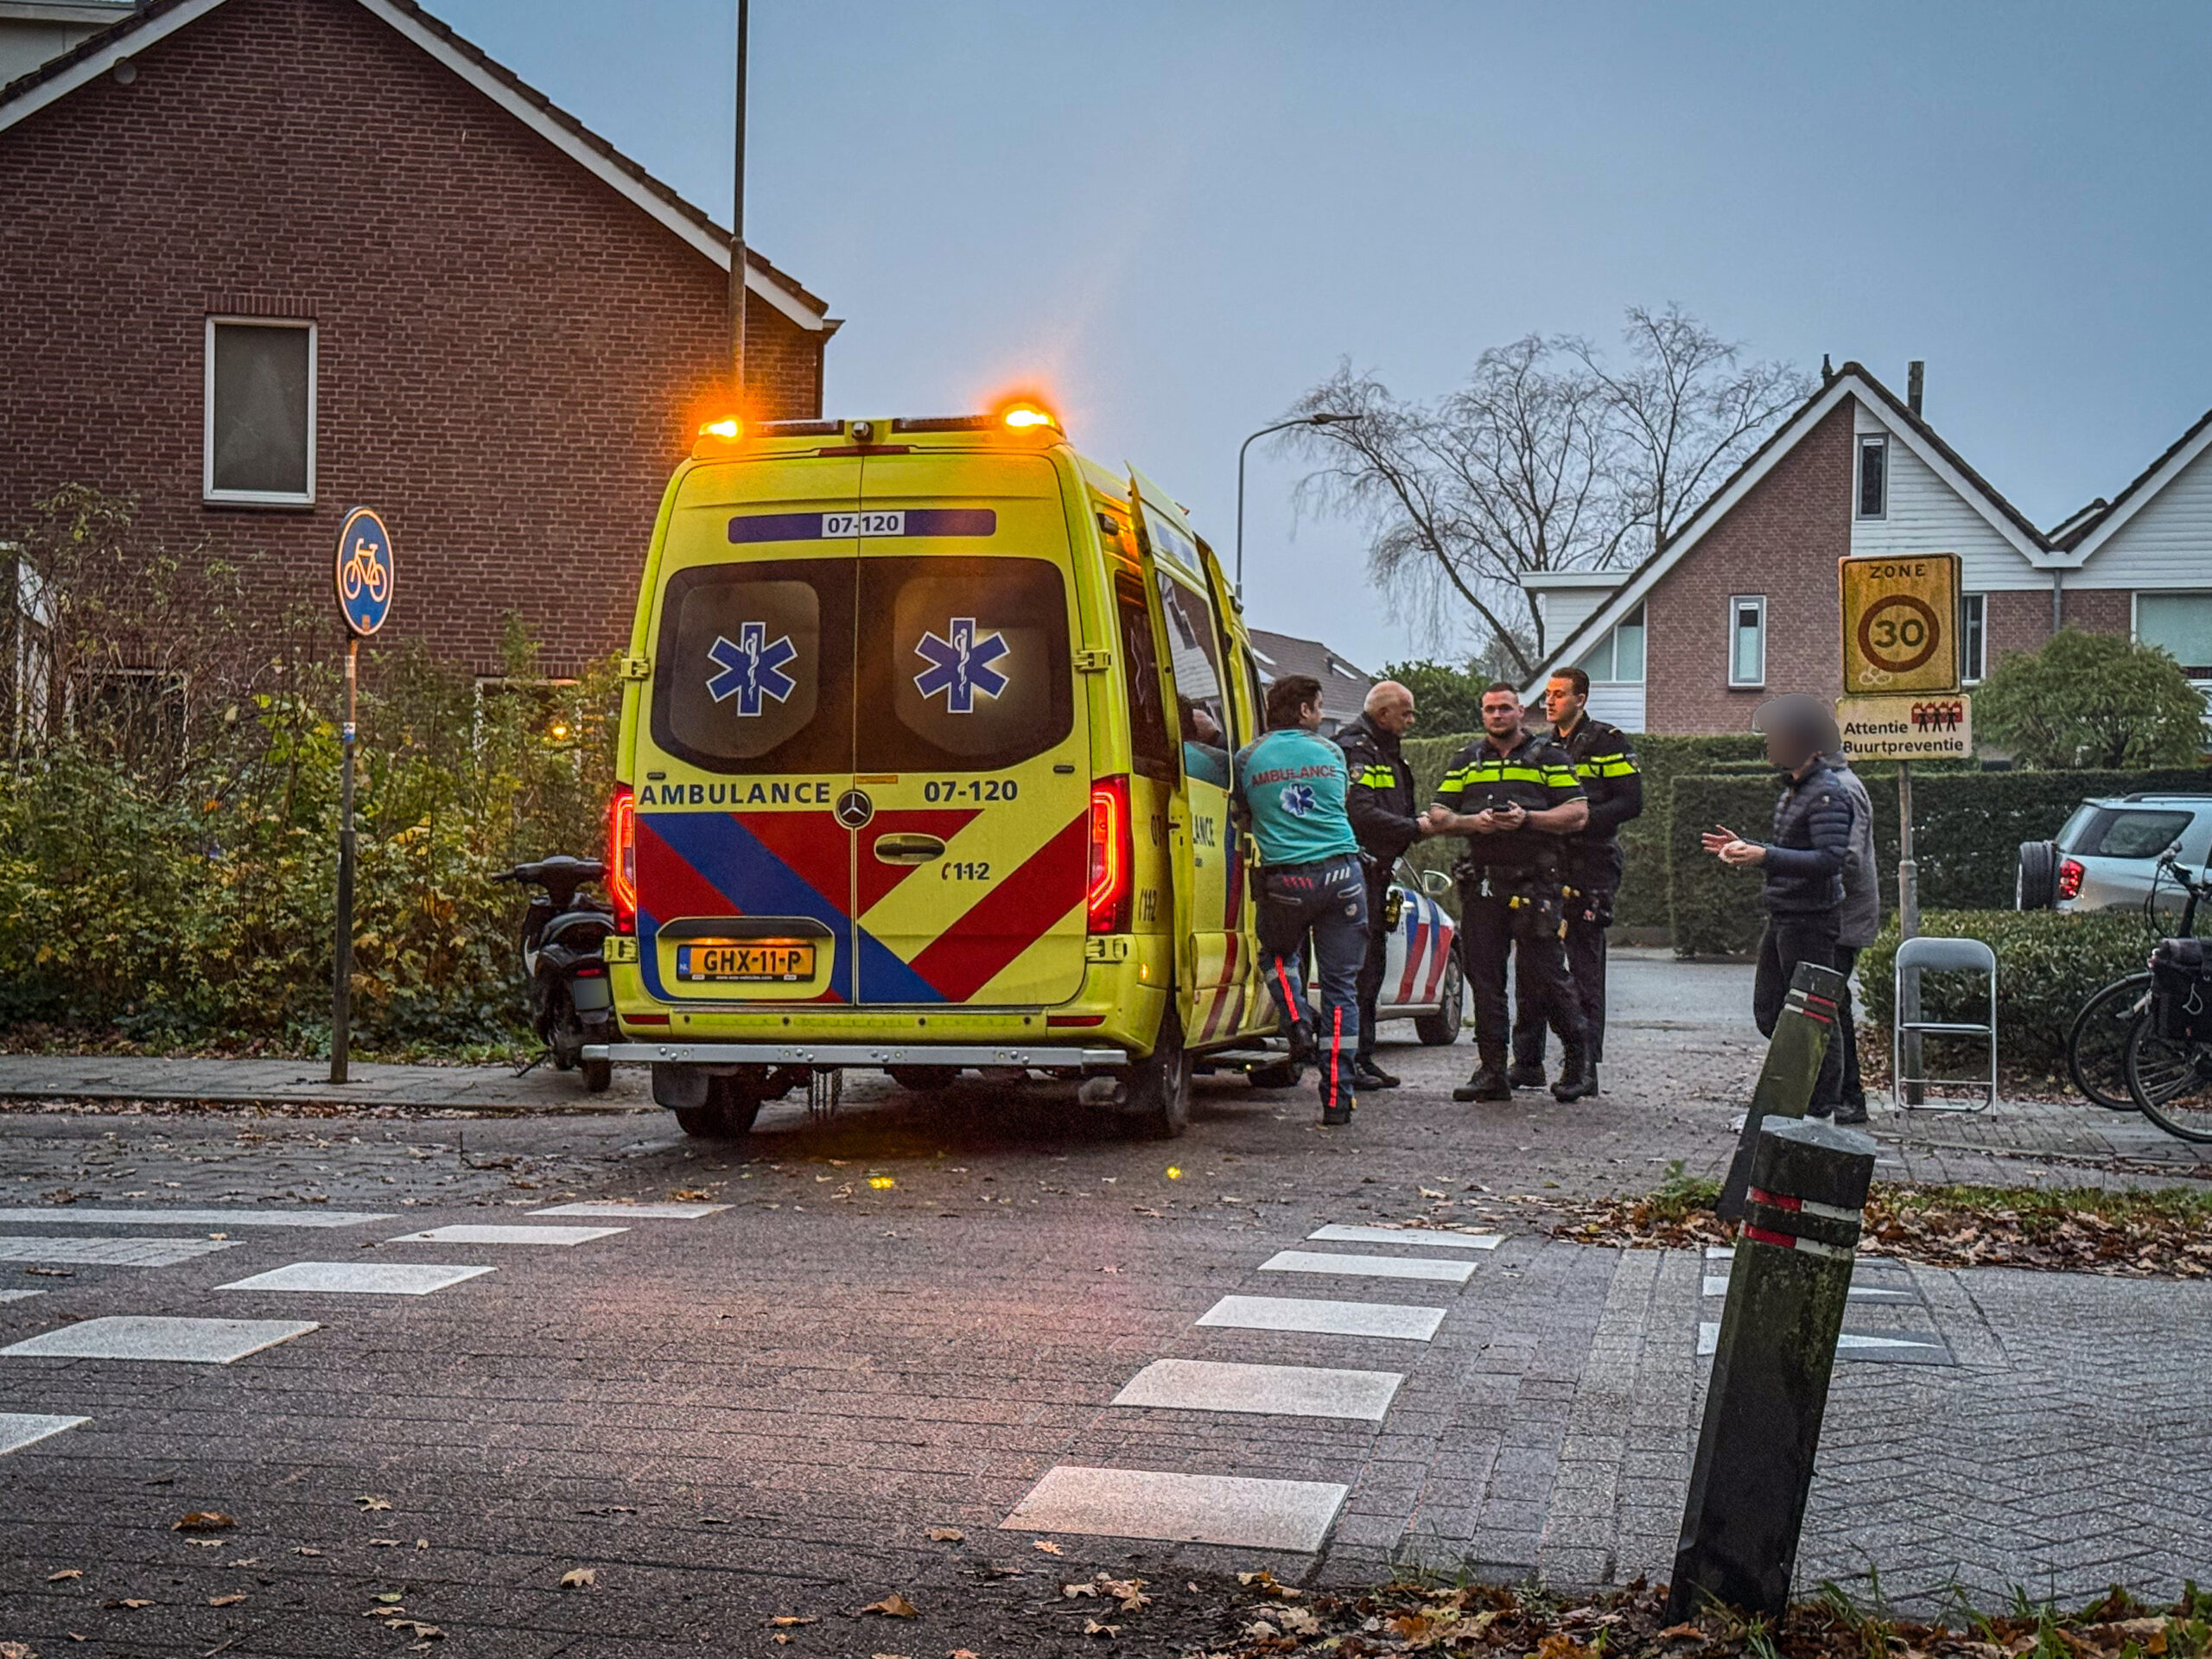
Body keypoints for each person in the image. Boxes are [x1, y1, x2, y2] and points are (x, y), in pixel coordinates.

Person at [1423, 683, 1593, 1104]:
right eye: (1489, 710)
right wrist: (1472, 823)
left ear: (1521, 711)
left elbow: (1578, 813)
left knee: (1547, 977)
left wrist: (1527, 819)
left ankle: (1579, 1066)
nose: (1497, 716)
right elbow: (1439, 813)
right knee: (1485, 979)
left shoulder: (1548, 757)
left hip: (1535, 883)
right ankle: (1492, 1072)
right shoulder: (1467, 760)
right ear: (1482, 715)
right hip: (1483, 883)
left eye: (1505, 708)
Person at [1700, 694, 1858, 1118]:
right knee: (1773, 1011)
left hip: (1810, 920)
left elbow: (1829, 860)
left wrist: (1763, 856)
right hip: (1787, 916)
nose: (1768, 743)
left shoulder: (1825, 794)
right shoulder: (1797, 791)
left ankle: (1821, 1106)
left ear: (1799, 741)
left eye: (1775, 736)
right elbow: (1796, 850)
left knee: (1813, 1013)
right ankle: (1800, 1097)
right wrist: (1751, 848)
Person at [1233, 673, 1369, 1126]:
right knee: (1341, 989)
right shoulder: (1331, 752)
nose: (1323, 714)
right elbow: (1340, 803)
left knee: (1276, 957)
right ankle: (1336, 1099)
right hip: (1342, 875)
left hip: (1286, 881)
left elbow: (1243, 815)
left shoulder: (1248, 758)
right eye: (1320, 706)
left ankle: (1296, 1025)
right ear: (1305, 711)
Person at [1510, 666, 1643, 1094]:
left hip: (1591, 863)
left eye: (1559, 695)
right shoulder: (1539, 747)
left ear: (1581, 699)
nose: (1549, 702)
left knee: (1584, 965)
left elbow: (1630, 801)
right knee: (1533, 961)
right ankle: (1528, 1060)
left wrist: (1579, 823)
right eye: (1547, 695)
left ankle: (1584, 1067)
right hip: (1546, 865)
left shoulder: (1607, 742)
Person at [1336, 679, 1445, 1093]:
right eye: (1407, 713)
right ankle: (1351, 1061)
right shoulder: (1357, 750)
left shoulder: (1380, 748)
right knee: (1359, 970)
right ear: (1384, 714)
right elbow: (1359, 812)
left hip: (1377, 874)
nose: (1412, 721)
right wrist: (1413, 828)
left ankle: (1363, 1055)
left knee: (1373, 967)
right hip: (1360, 872)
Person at [1827, 750, 1878, 1125]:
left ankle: (1847, 1095)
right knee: (1832, 1004)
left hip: (1841, 919)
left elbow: (1848, 860)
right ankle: (1841, 1093)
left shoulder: (1841, 789)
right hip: (1844, 916)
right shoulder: (1840, 785)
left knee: (1831, 1005)